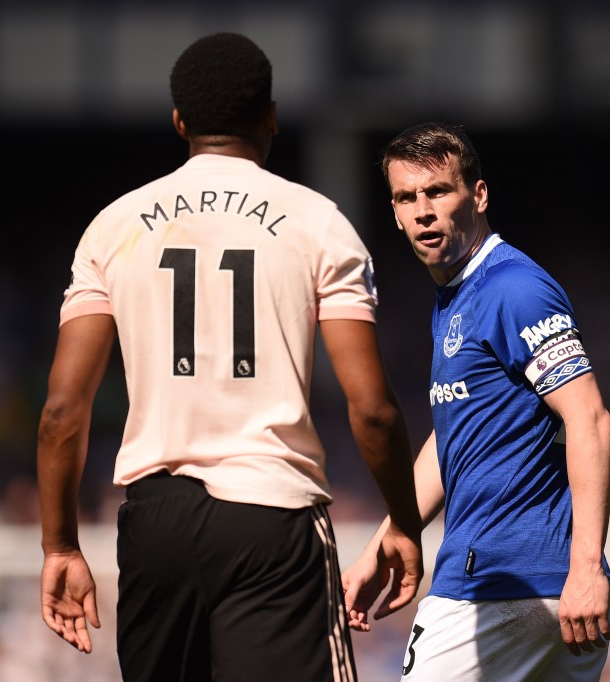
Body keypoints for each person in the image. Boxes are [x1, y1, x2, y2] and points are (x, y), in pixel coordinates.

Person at [37, 32, 424, 681]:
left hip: (154, 522)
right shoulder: (317, 222)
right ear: (270, 116)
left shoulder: (116, 224)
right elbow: (373, 410)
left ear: (179, 122)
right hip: (273, 517)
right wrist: (406, 524)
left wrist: (59, 544)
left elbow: (61, 411)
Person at [341, 122, 610, 681]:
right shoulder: (458, 294)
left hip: (500, 585)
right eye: (405, 197)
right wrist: (394, 530)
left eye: (438, 191)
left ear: (479, 195)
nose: (422, 210)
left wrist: (587, 567)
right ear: (394, 213)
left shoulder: (513, 287)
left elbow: (589, 416)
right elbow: (458, 438)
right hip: (528, 594)